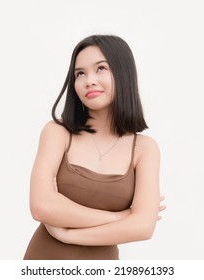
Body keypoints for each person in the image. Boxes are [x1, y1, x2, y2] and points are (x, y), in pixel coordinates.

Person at [23, 34, 165, 260]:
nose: (88, 80)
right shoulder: (57, 133)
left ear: (123, 72)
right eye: (80, 73)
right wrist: (123, 217)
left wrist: (69, 235)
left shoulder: (144, 149)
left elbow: (143, 228)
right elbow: (41, 206)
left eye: (100, 69)